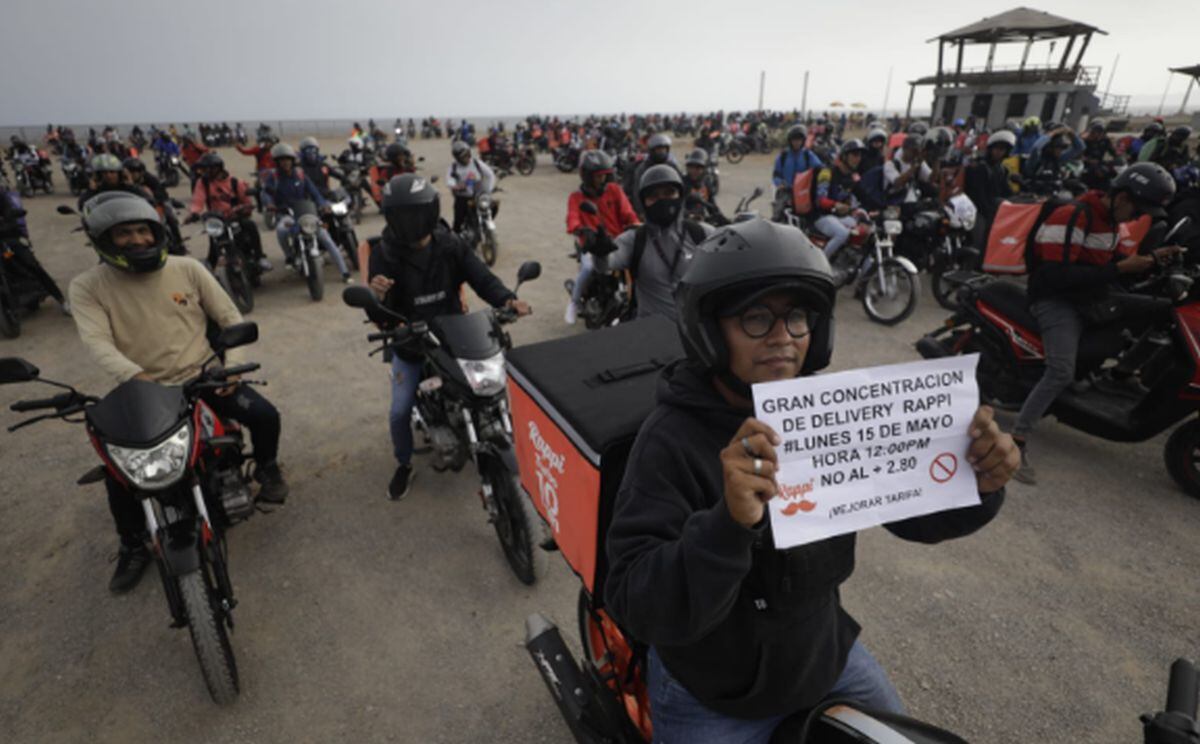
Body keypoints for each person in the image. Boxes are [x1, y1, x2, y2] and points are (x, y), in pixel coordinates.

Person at [604, 218, 1016, 743]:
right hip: (713, 689)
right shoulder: (670, 439)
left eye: (796, 316)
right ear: (709, 332)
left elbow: (916, 517)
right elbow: (638, 604)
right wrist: (727, 525)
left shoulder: (830, 414)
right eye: (756, 318)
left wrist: (978, 481)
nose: (782, 338)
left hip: (821, 656)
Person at [68, 193, 288, 593]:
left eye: (142, 230)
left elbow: (230, 318)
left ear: (157, 231)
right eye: (124, 233)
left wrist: (230, 366)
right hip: (143, 389)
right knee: (120, 474)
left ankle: (269, 468)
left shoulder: (187, 268)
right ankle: (132, 544)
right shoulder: (88, 286)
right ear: (103, 239)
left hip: (202, 376)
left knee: (265, 416)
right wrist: (135, 375)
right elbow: (97, 341)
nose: (136, 240)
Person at [1011, 163, 1182, 484]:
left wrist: (1153, 260)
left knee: (1137, 321)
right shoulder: (1074, 216)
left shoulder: (1110, 224)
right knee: (1060, 369)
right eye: (1137, 209)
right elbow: (1054, 276)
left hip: (1086, 297)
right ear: (1121, 196)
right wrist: (1121, 270)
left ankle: (1111, 376)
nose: (1136, 218)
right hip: (1055, 300)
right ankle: (1017, 439)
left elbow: (1107, 263)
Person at [363, 174, 531, 499]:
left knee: (494, 388)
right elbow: (377, 315)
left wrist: (508, 300)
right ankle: (403, 464)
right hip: (411, 341)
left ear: (430, 211)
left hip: (456, 336)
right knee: (399, 410)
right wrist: (377, 297)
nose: (410, 223)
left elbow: (481, 277)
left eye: (416, 214)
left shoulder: (450, 244)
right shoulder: (384, 254)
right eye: (402, 216)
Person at [594, 165, 713, 322]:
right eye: (654, 196)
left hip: (698, 331)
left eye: (669, 193)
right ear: (644, 202)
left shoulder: (703, 234)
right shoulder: (634, 239)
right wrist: (600, 253)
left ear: (680, 195)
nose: (662, 200)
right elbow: (606, 264)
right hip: (651, 335)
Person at [563, 150, 641, 324]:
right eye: (598, 176)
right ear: (587, 176)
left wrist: (636, 225)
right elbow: (572, 218)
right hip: (591, 244)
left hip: (618, 241)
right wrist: (581, 230)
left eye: (605, 175)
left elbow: (628, 212)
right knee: (588, 268)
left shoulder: (614, 190)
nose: (602, 179)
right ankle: (574, 303)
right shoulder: (576, 197)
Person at [261, 144, 352, 282]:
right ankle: (289, 256)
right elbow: (265, 193)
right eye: (282, 160)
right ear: (277, 162)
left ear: (292, 160)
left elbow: (314, 193)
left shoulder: (301, 174)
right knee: (281, 230)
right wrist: (269, 204)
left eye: (287, 159)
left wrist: (322, 204)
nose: (285, 162)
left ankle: (344, 272)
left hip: (305, 212)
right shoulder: (273, 177)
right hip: (287, 214)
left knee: (325, 238)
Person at [187, 152, 269, 271]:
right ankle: (209, 272)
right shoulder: (203, 183)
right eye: (204, 169)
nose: (206, 172)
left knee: (250, 226)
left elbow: (246, 200)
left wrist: (246, 207)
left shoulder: (235, 182)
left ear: (218, 168)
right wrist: (194, 213)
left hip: (236, 217)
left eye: (209, 168)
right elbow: (197, 200)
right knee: (213, 243)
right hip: (217, 219)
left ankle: (259, 257)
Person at [0, 182, 69, 314]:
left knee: (31, 264)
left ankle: (61, 301)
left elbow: (10, 211)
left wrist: (7, 222)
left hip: (6, 236)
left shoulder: (1, 194)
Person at [812, 139, 866, 260]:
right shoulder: (826, 173)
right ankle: (821, 265)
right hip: (822, 217)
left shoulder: (853, 177)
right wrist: (836, 205)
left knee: (862, 232)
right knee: (842, 233)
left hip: (840, 217)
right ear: (844, 156)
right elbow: (820, 200)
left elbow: (864, 196)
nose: (858, 159)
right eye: (855, 155)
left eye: (860, 155)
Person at [123, 157, 185, 254]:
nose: (132, 174)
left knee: (170, 217)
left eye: (135, 172)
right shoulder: (123, 183)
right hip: (133, 209)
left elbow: (160, 192)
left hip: (155, 204)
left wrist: (157, 200)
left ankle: (179, 243)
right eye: (129, 172)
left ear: (141, 172)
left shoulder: (150, 179)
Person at [964, 130, 1018, 243]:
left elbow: (1007, 191)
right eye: (997, 148)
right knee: (981, 239)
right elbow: (978, 195)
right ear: (990, 149)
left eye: (1002, 149)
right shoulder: (979, 167)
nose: (999, 152)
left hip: (995, 208)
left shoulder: (1002, 169)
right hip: (976, 209)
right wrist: (990, 212)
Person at [771, 125, 823, 220]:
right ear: (790, 140)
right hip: (786, 191)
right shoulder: (783, 156)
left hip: (803, 192)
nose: (797, 142)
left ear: (803, 141)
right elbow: (776, 174)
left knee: (813, 214)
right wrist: (779, 183)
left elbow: (819, 168)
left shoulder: (808, 155)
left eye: (799, 139)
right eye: (794, 139)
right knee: (777, 215)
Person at [446, 140, 496, 233]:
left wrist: (489, 189)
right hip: (463, 197)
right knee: (458, 222)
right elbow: (449, 180)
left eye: (467, 154)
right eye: (463, 156)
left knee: (494, 206)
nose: (466, 157)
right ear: (457, 158)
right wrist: (455, 186)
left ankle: (485, 225)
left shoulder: (477, 163)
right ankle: (456, 240)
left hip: (479, 195)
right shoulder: (453, 167)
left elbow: (490, 175)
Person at [628, 133, 681, 217]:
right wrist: (641, 212)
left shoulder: (672, 166)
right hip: (651, 206)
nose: (661, 152)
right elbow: (637, 191)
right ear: (652, 150)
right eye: (659, 149)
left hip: (669, 206)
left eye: (664, 149)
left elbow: (680, 187)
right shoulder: (642, 168)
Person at [883, 135, 933, 204]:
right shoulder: (891, 164)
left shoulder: (918, 162)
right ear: (904, 149)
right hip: (895, 202)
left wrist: (936, 159)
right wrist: (914, 167)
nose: (916, 153)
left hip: (914, 201)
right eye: (914, 150)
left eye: (918, 151)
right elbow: (898, 183)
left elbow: (931, 179)